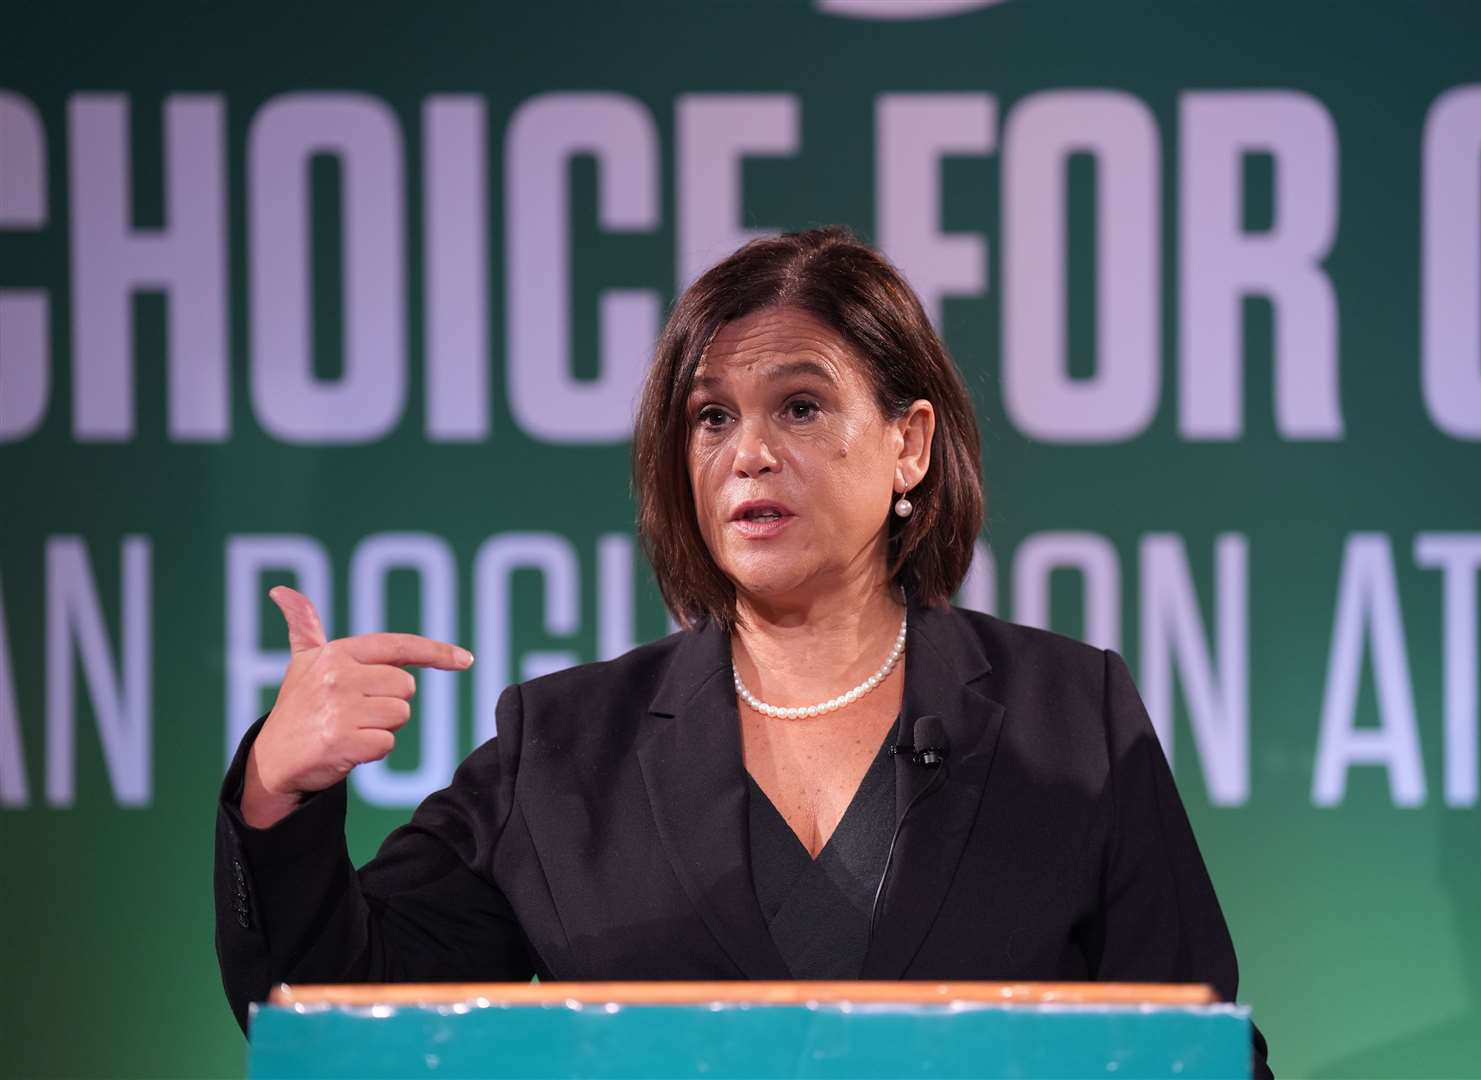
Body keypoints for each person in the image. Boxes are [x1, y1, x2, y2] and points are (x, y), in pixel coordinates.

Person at [215, 225, 1273, 1078]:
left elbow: (1197, 1053)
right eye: (710, 418)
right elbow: (352, 1028)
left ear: (908, 443)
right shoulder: (563, 748)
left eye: (801, 407)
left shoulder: (1068, 717)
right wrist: (277, 790)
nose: (749, 453)